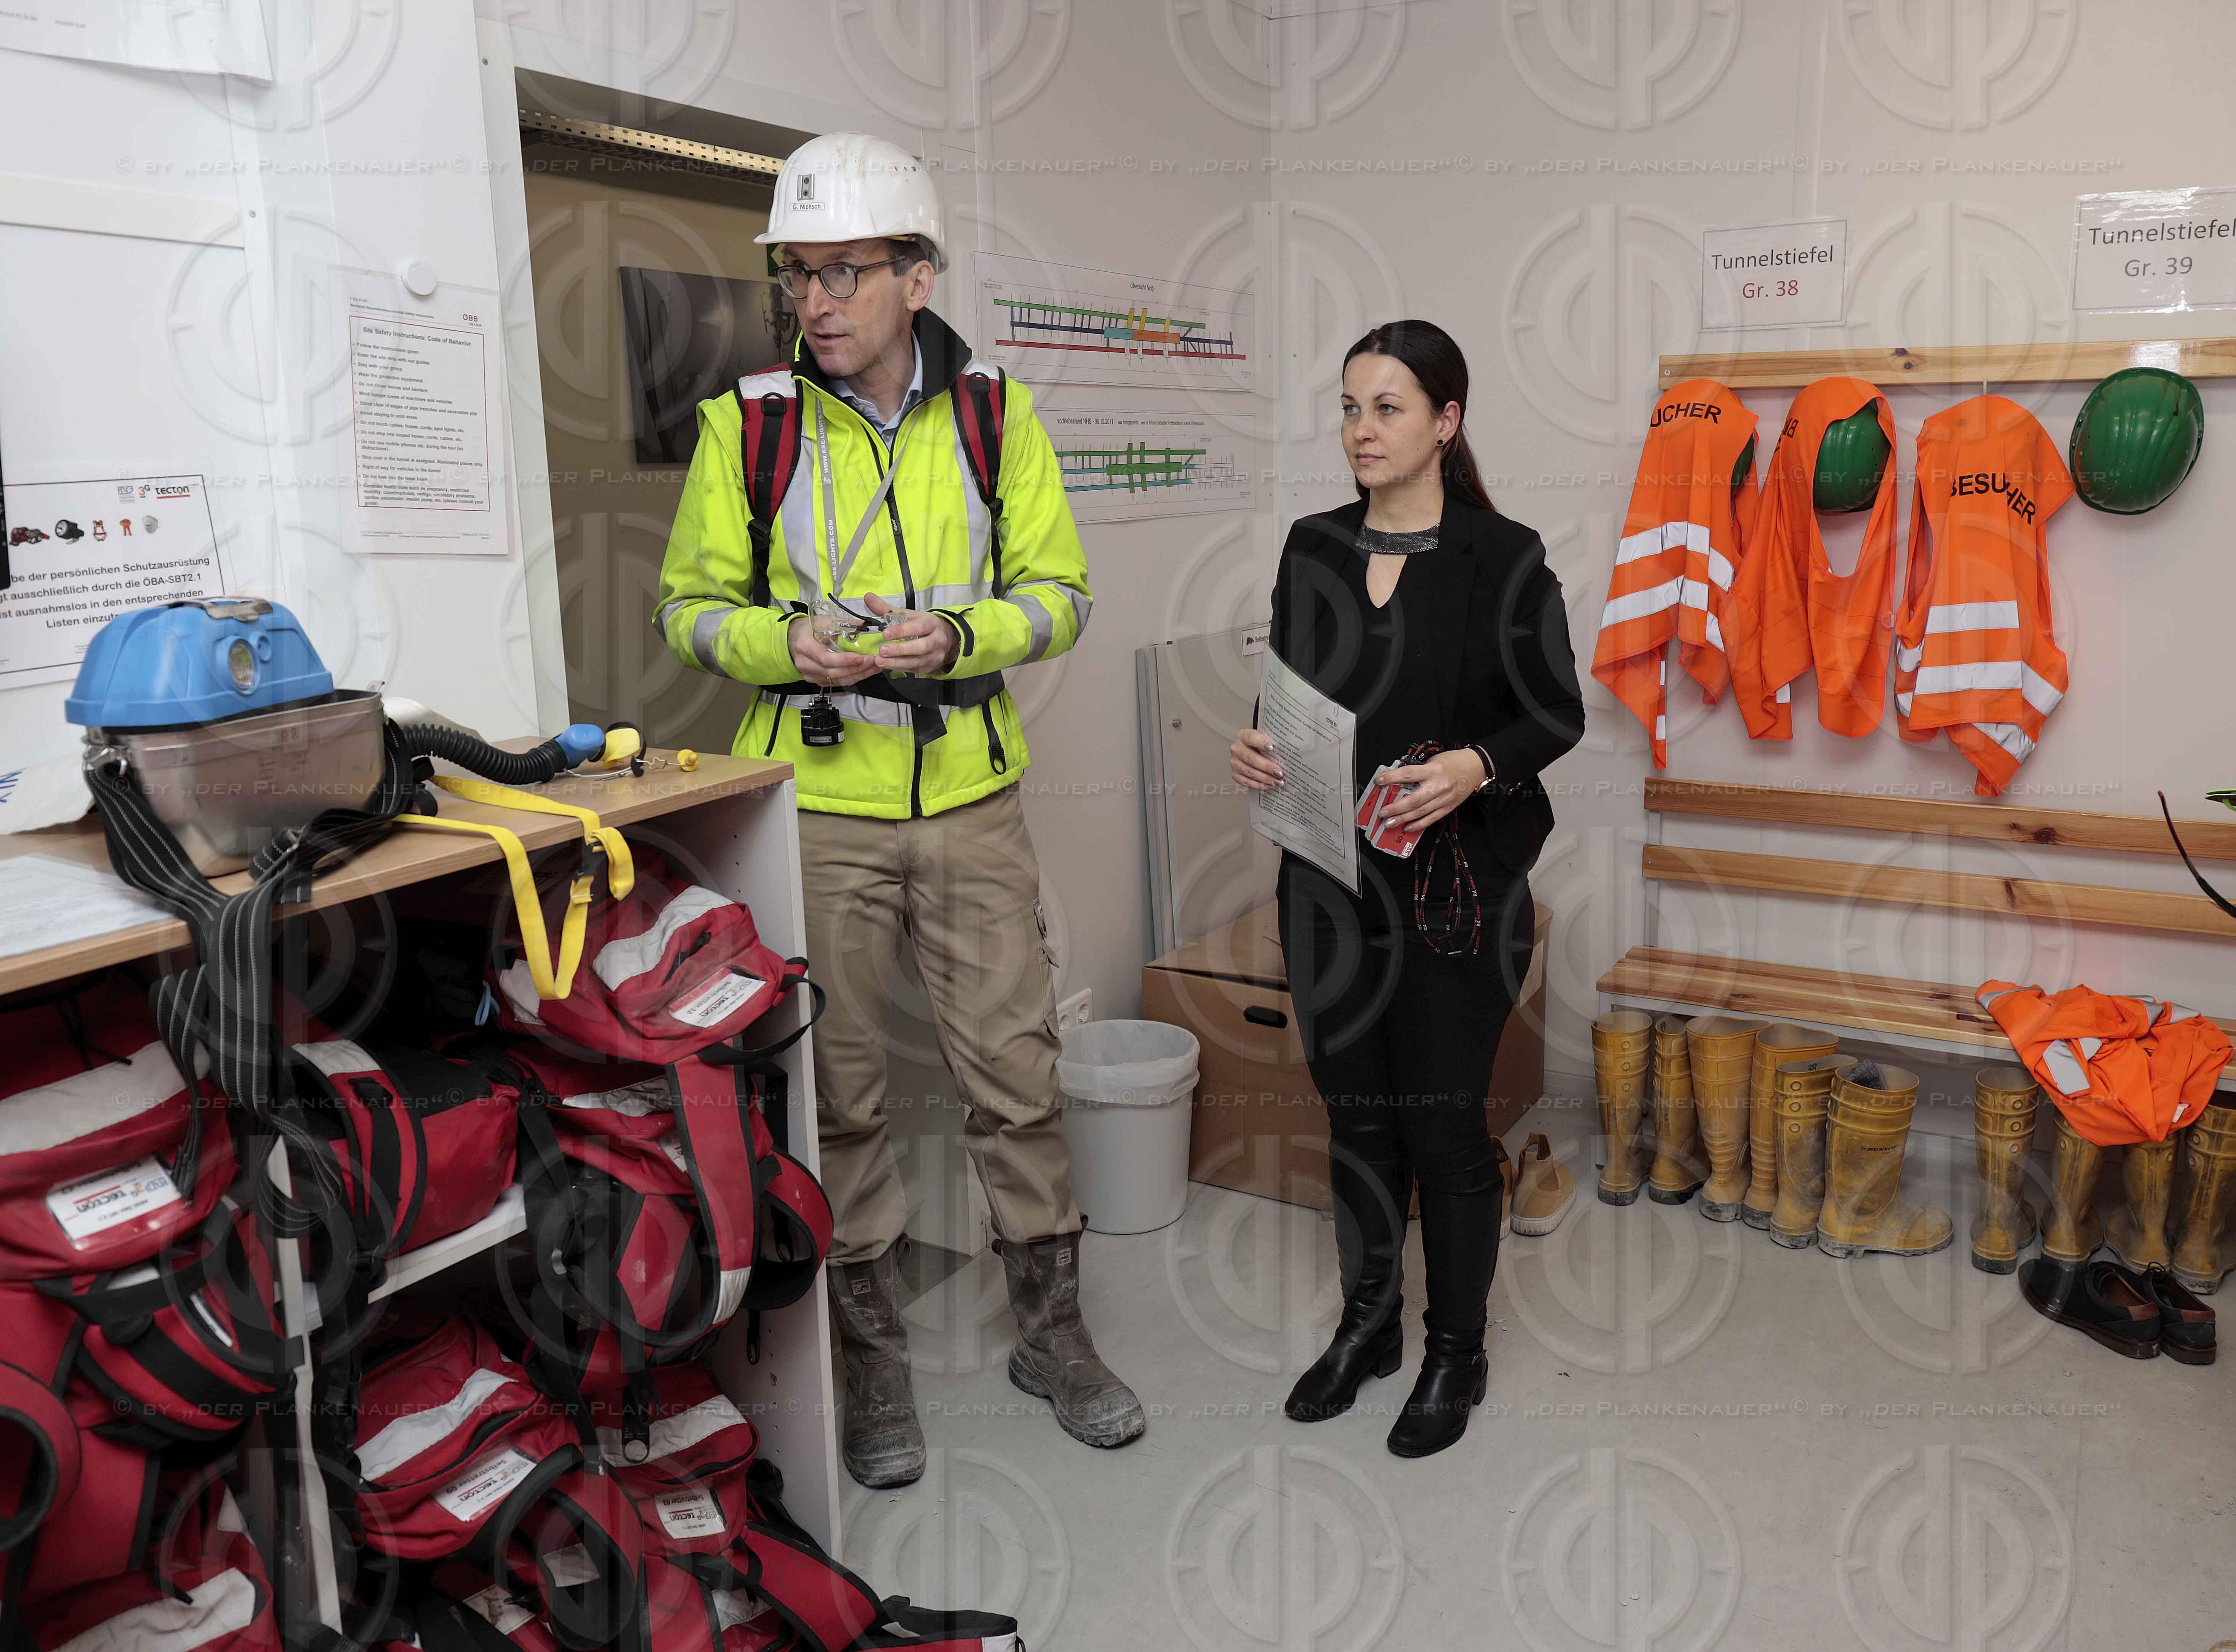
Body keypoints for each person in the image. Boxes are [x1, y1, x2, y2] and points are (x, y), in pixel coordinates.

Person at [654, 132, 1143, 1488]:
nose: (815, 301)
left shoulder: (996, 415)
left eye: (846, 271)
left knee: (1016, 1079)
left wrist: (963, 630)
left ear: (917, 275)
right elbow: (688, 614)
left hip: (973, 795)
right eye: (797, 274)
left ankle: (1052, 1334)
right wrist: (780, 649)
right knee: (846, 1095)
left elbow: (1063, 595)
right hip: (815, 808)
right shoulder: (745, 426)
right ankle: (870, 1368)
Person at [1229, 320, 1584, 1457]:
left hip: (1454, 892)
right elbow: (1293, 695)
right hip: (1327, 888)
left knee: (1441, 1132)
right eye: (1347, 407)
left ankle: (1454, 1350)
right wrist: (1256, 745)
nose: (1360, 430)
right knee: (1355, 1126)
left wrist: (1473, 766)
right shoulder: (1311, 545)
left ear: (1446, 422)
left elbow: (1553, 714)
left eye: (1386, 407)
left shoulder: (1505, 556)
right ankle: (1369, 1325)